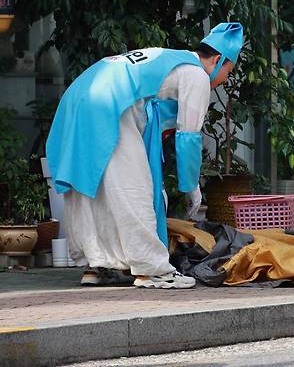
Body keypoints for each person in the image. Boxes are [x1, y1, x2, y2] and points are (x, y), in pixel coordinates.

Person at [45, 22, 244, 289]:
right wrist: (191, 186)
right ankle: (152, 269)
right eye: (228, 72)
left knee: (94, 185)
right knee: (133, 187)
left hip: (79, 95)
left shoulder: (170, 58)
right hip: (109, 103)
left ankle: (97, 265)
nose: (225, 80)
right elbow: (189, 137)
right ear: (218, 60)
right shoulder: (196, 74)